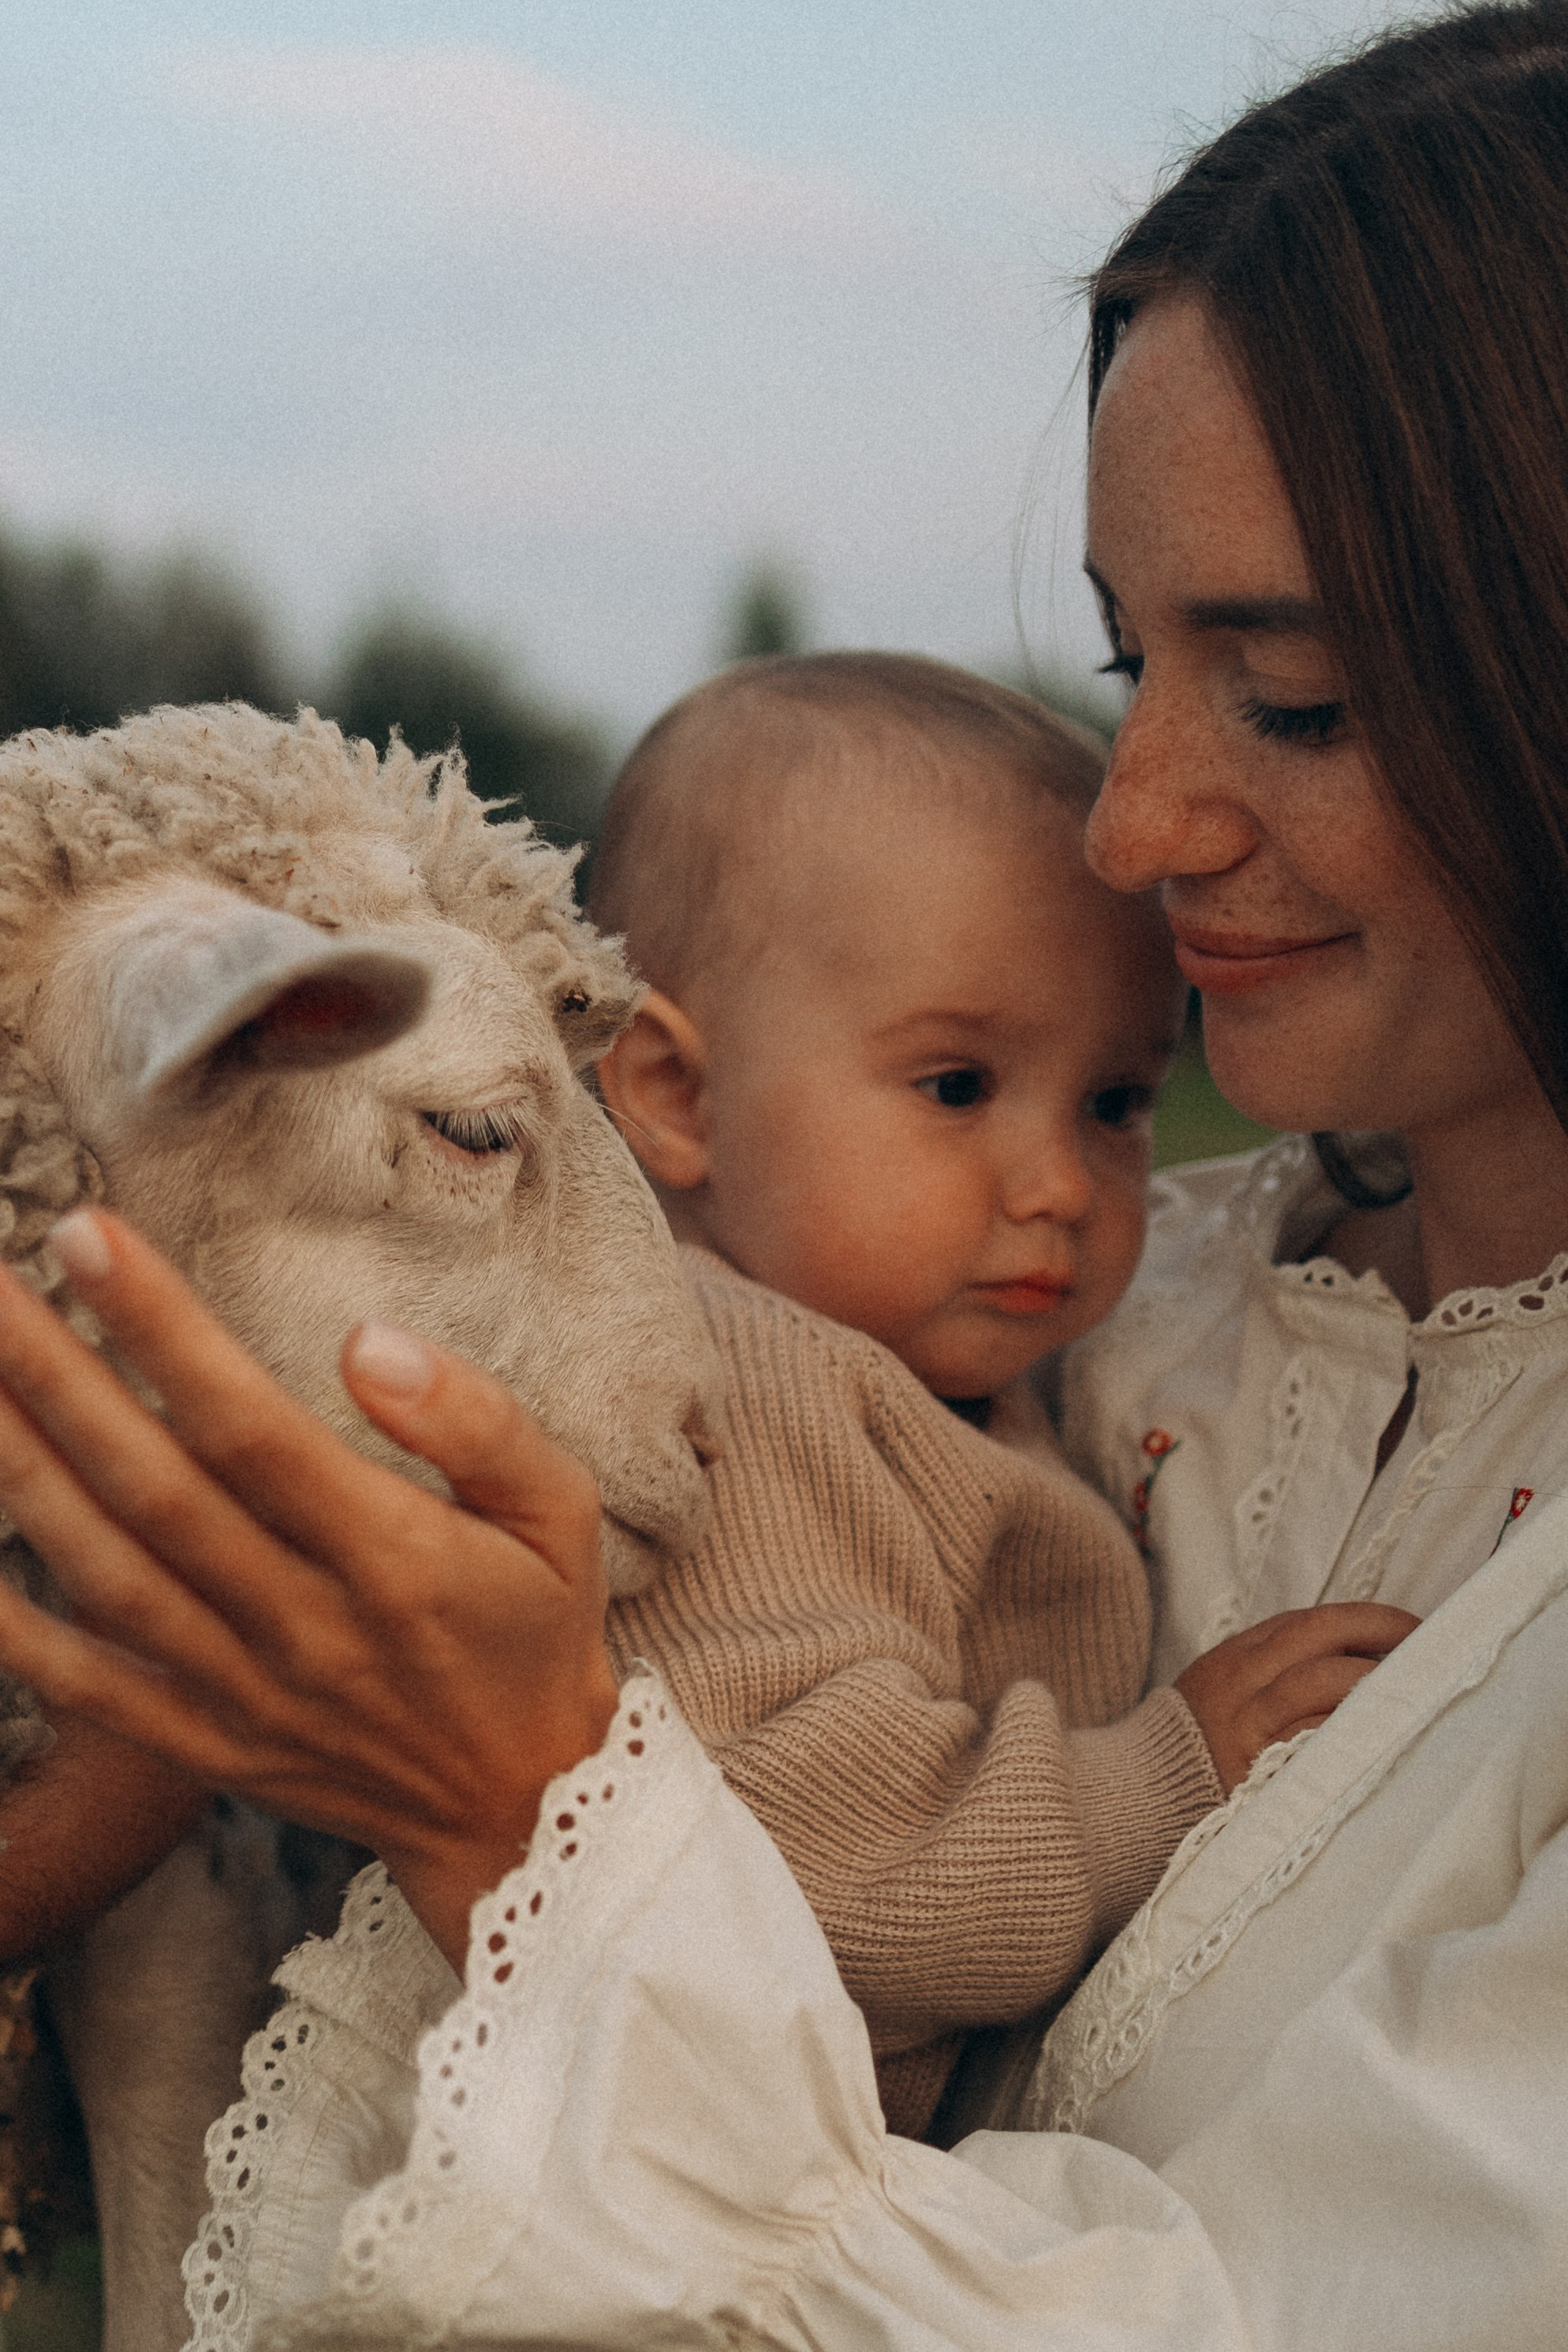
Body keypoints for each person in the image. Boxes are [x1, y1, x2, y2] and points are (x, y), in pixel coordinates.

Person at [0, 1, 1566, 2344]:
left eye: (1298, 695)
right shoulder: (1069, 1314)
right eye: (1130, 658)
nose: (1127, 827)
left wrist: (524, 1823)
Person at [586, 651, 1409, 2134]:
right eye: (957, 1085)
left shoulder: (912, 1365)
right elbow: (802, 1853)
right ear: (673, 1095)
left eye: (1114, 1101)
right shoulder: (725, 1382)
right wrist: (1165, 1775)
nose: (1057, 1187)